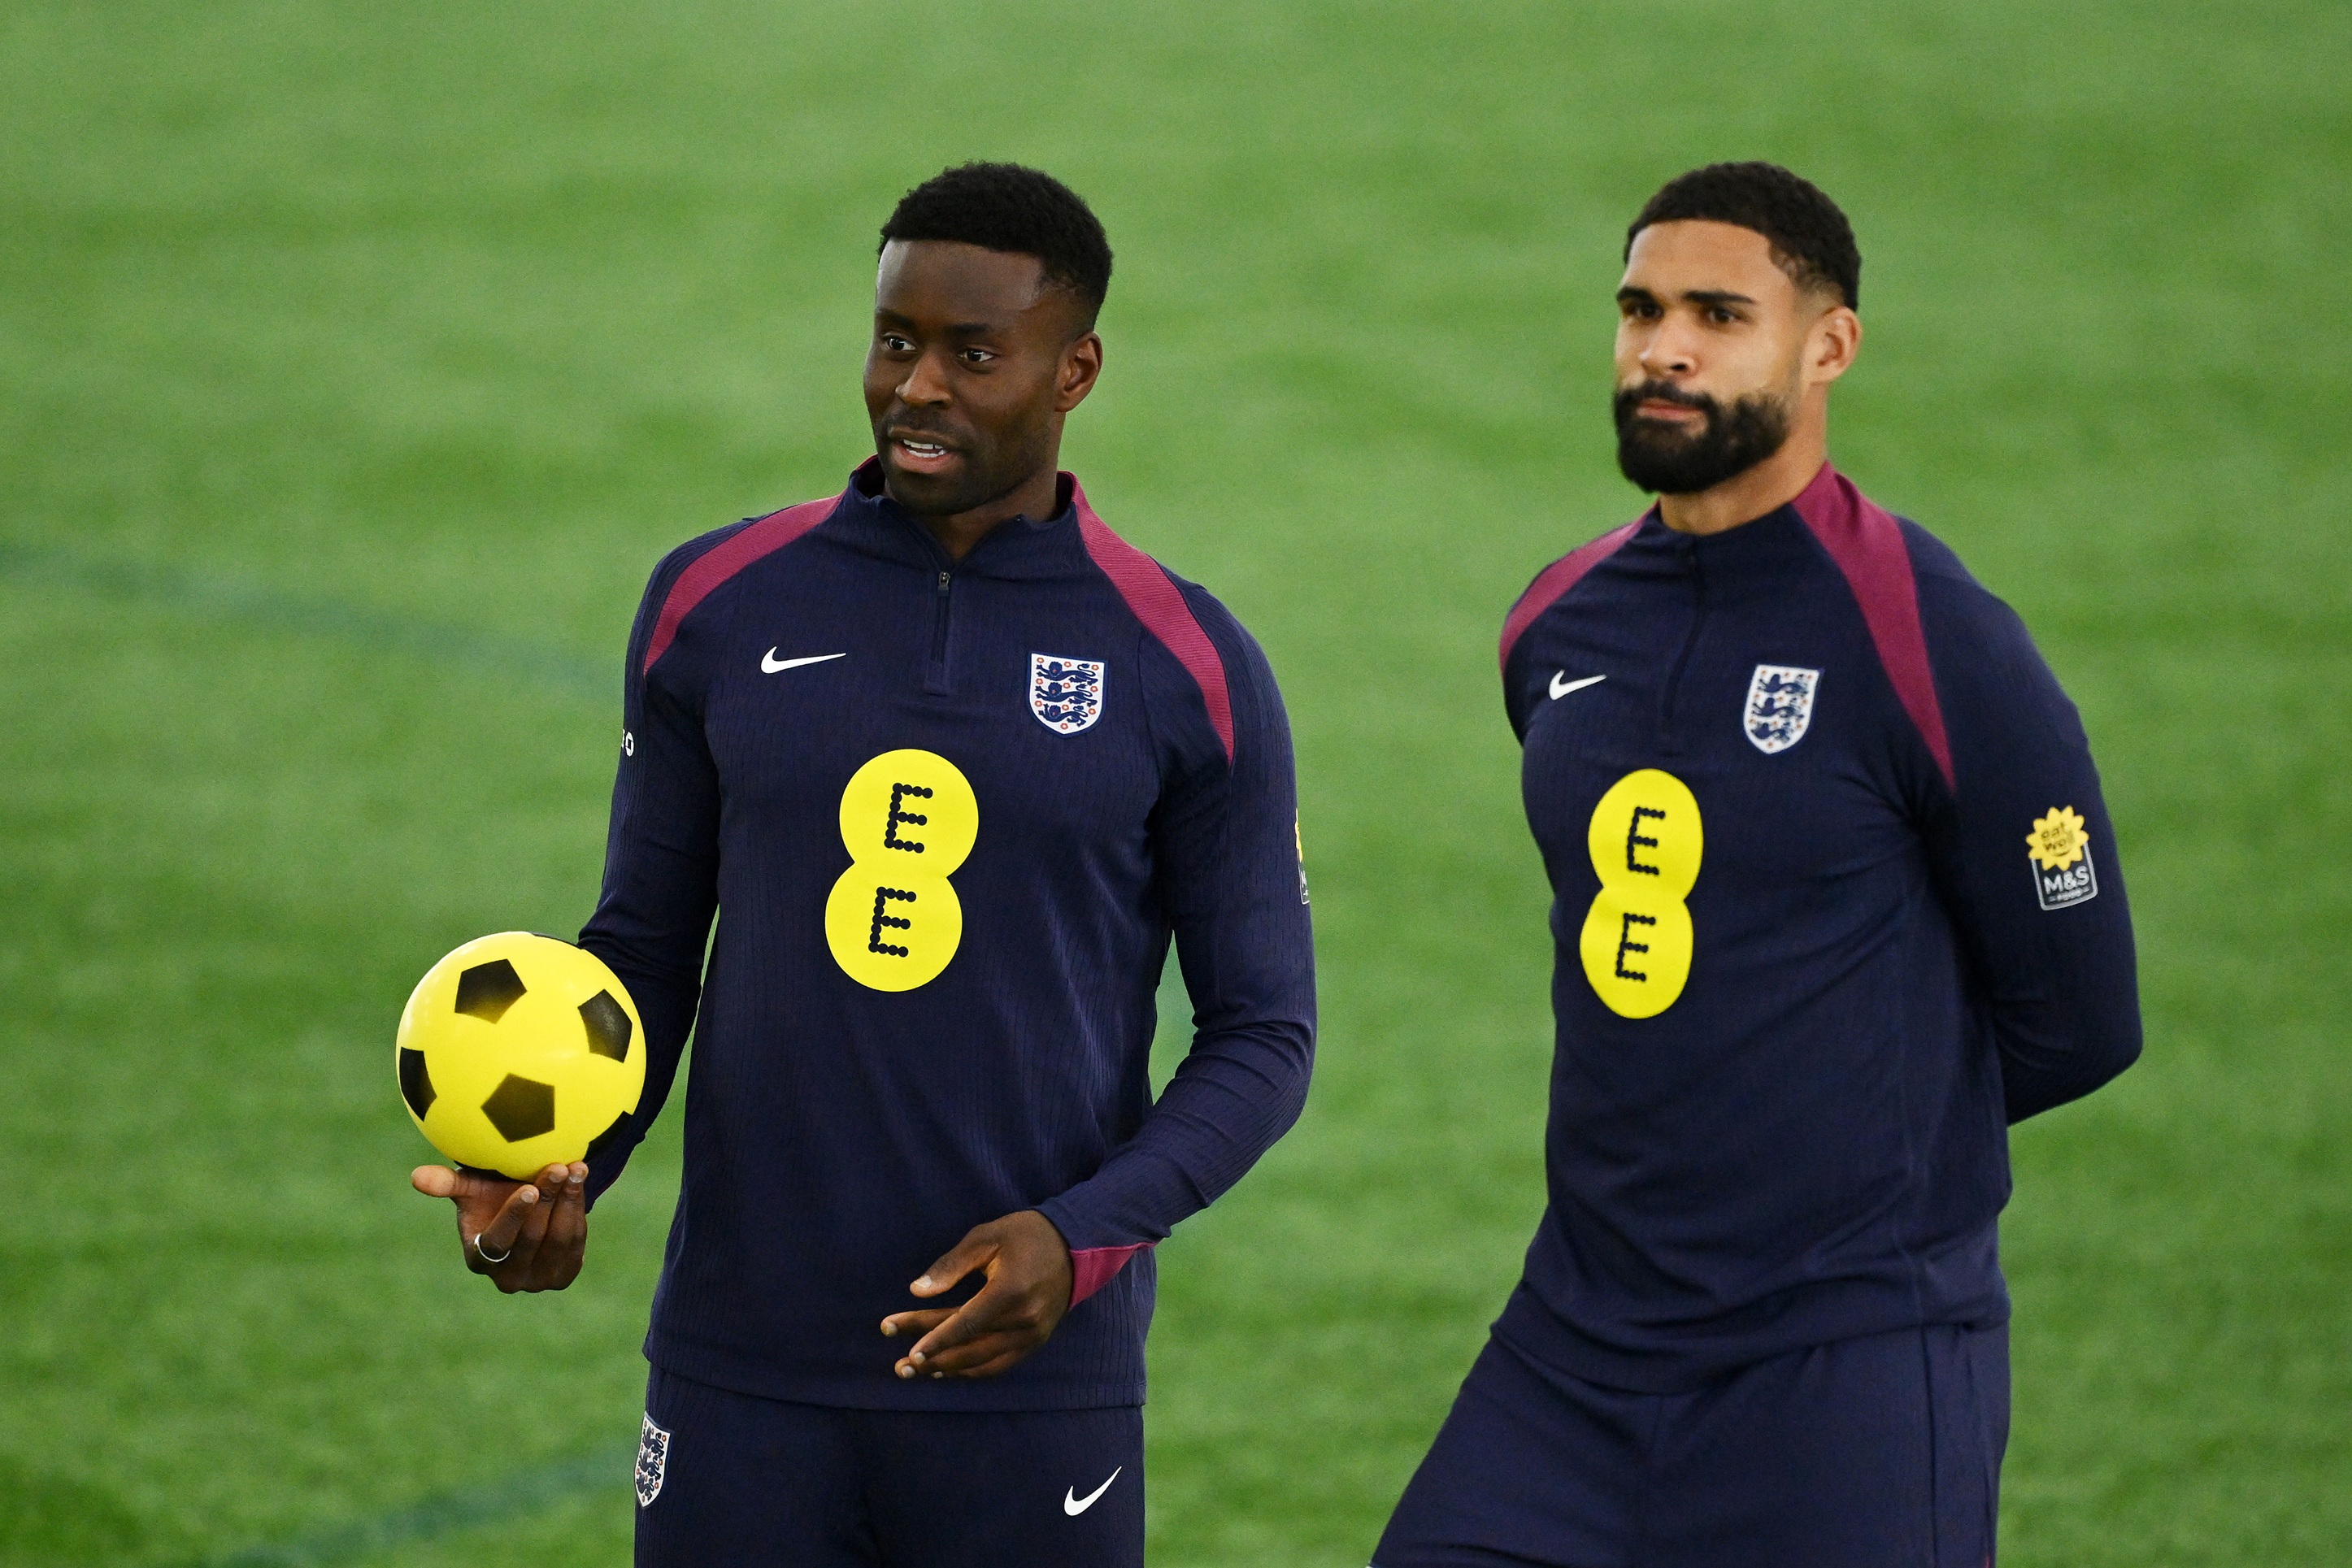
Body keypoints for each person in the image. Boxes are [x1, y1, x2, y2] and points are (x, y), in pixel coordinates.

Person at [410, 161, 1315, 1567]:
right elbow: (642, 955)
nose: (918, 388)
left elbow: (1264, 1034)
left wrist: (1079, 1242)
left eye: (974, 352)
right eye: (896, 340)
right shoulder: (715, 602)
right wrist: (560, 1174)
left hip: (1030, 1383)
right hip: (739, 1369)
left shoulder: (1185, 664)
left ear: (1074, 368)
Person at [1372, 162, 2140, 1567]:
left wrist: (1842, 1156)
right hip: (1573, 1346)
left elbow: (2081, 1020)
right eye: (1640, 307)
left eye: (1718, 314)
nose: (1663, 345)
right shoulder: (1557, 623)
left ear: (1827, 345)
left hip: (1844, 1362)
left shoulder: (1931, 636)